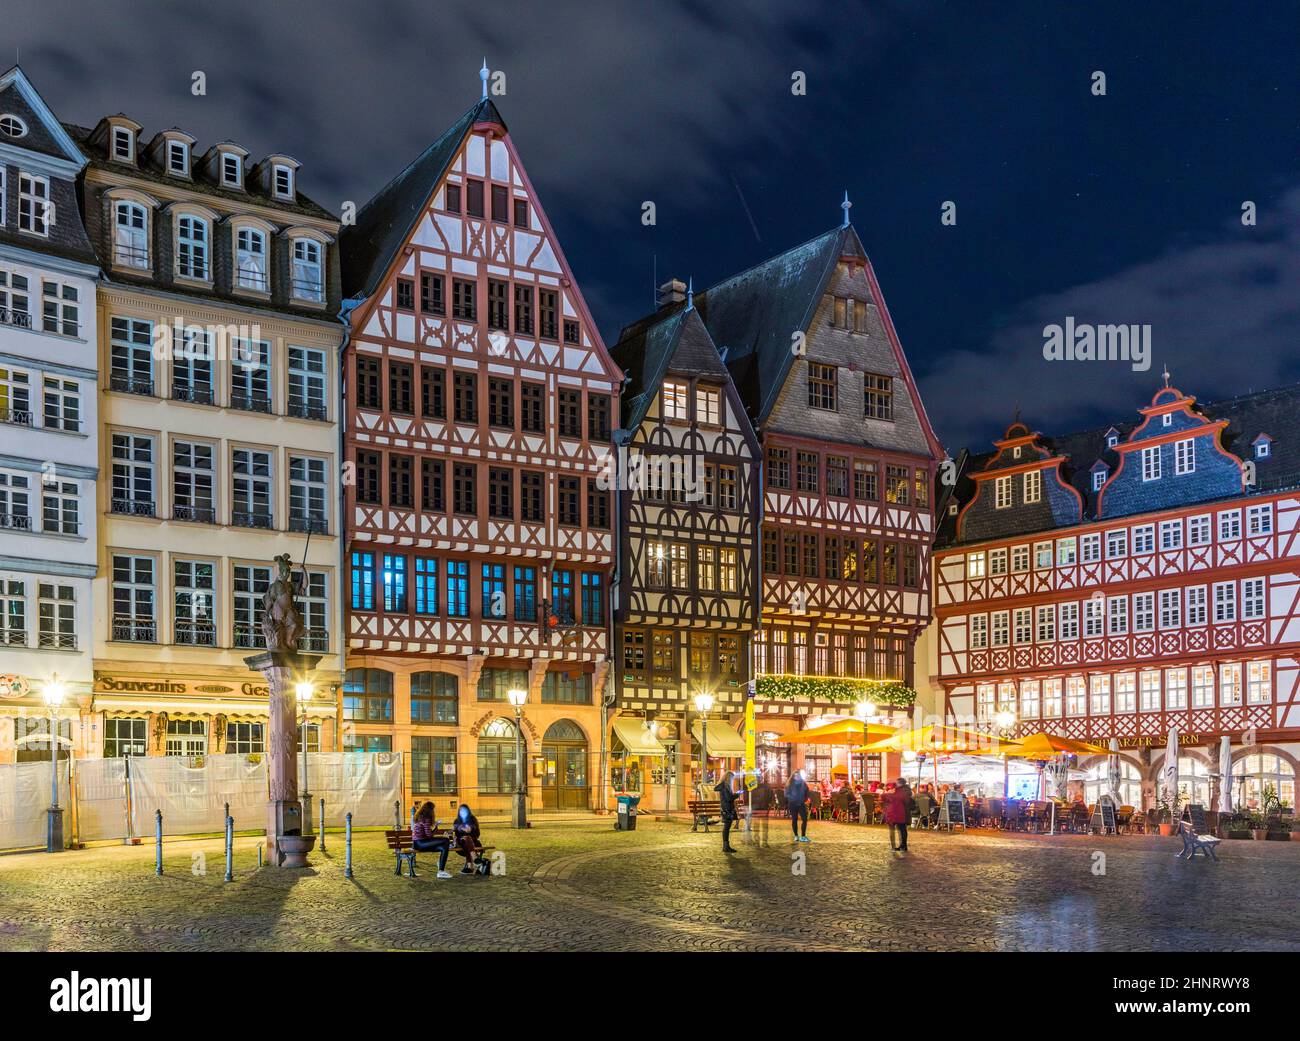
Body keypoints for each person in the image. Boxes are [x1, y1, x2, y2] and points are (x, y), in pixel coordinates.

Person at [411, 801, 454, 878]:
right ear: (429, 810)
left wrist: (435, 826)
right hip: (420, 843)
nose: (434, 811)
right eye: (433, 809)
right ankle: (441, 865)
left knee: (444, 847)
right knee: (445, 840)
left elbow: (428, 835)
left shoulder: (420, 817)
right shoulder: (425, 819)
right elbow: (429, 835)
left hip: (418, 843)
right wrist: (435, 827)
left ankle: (441, 871)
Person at [714, 771, 743, 853]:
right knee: (726, 827)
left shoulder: (724, 786)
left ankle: (726, 846)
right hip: (727, 809)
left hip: (726, 808)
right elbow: (729, 798)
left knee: (727, 827)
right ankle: (726, 847)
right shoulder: (725, 786)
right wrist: (737, 794)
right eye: (732, 778)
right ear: (728, 778)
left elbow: (728, 797)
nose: (732, 780)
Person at [451, 803, 483, 874]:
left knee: (467, 839)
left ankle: (470, 867)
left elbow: (477, 833)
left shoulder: (472, 819)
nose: (462, 812)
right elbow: (456, 834)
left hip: (473, 842)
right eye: (461, 811)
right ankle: (475, 858)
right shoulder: (457, 821)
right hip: (460, 843)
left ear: (468, 811)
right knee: (465, 839)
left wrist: (470, 831)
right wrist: (452, 830)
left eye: (464, 811)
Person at [882, 777, 912, 852]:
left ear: (899, 784)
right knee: (902, 829)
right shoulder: (906, 790)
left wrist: (889, 794)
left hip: (902, 811)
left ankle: (902, 846)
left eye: (896, 783)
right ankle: (903, 846)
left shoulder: (901, 791)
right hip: (903, 811)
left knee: (901, 829)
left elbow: (886, 797)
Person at [786, 769, 810, 843]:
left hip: (801, 804)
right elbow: (787, 793)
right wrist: (792, 799)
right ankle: (796, 836)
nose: (797, 776)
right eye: (796, 775)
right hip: (792, 804)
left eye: (798, 775)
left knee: (805, 819)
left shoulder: (803, 783)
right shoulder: (790, 784)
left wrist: (804, 799)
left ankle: (803, 836)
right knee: (794, 820)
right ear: (793, 776)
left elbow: (807, 791)